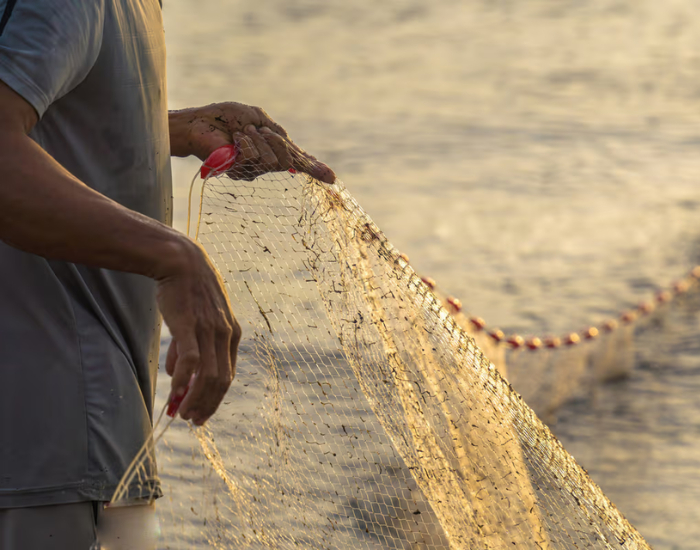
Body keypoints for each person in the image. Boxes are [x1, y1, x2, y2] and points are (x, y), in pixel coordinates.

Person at [0, 0, 334, 548]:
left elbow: (46, 116)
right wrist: (177, 259)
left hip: (102, 442)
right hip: (42, 440)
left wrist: (170, 128)